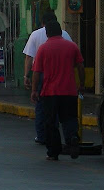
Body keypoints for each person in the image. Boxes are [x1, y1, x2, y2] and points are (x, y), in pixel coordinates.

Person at [31, 20, 85, 161]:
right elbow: (80, 66)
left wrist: (34, 90)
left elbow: (36, 72)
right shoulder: (72, 46)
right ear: (60, 31)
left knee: (50, 123)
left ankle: (53, 152)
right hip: (69, 91)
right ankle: (72, 138)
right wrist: (82, 84)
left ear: (47, 33)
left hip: (50, 92)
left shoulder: (43, 49)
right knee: (69, 119)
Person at [23, 11, 73, 144]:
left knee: (41, 106)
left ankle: (42, 136)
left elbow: (29, 57)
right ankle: (69, 137)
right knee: (64, 108)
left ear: (42, 23)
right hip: (63, 75)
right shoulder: (65, 34)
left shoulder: (35, 34)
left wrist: (26, 76)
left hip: (41, 74)